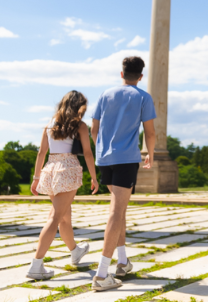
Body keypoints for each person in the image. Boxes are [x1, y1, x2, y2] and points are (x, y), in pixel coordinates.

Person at [90, 56, 156, 291]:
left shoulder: (105, 94)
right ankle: (100, 275)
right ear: (140, 76)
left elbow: (94, 128)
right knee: (116, 212)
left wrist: (101, 151)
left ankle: (122, 261)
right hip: (127, 159)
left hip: (105, 159)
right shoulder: (143, 97)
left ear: (121, 74)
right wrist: (150, 153)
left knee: (120, 209)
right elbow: (150, 133)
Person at [27, 90, 99, 280]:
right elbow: (88, 153)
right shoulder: (80, 126)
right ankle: (36, 264)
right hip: (68, 168)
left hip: (50, 168)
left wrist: (36, 178)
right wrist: (94, 177)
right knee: (55, 216)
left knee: (64, 217)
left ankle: (75, 251)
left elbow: (41, 153)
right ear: (79, 107)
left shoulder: (49, 125)